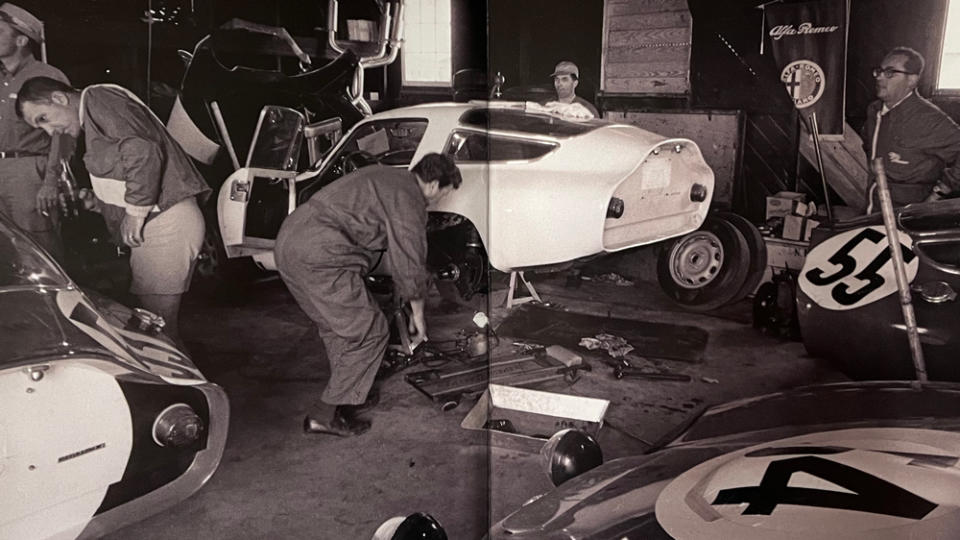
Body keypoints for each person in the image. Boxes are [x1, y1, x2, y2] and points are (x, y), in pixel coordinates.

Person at [16, 76, 211, 350]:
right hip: (159, 224)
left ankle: (186, 390)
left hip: (166, 223)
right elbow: (129, 167)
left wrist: (135, 211)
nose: (50, 132)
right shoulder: (95, 117)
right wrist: (100, 203)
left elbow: (143, 151)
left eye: (44, 118)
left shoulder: (98, 97)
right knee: (156, 326)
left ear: (59, 98)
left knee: (160, 329)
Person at [275, 153, 461, 437]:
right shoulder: (409, 198)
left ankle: (347, 397)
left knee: (338, 329)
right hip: (321, 253)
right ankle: (323, 415)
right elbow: (408, 260)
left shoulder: (387, 176)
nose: (437, 201)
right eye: (442, 194)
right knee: (370, 331)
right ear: (434, 185)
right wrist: (419, 316)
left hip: (290, 241)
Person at [0, 3, 71, 258]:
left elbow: (63, 133)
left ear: (21, 39)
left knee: (40, 249)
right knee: (7, 251)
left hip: (30, 173)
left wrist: (51, 181)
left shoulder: (45, 75)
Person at [862, 46, 960, 211]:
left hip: (910, 217)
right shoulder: (874, 111)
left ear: (912, 80)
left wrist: (939, 192)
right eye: (879, 71)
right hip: (874, 210)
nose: (879, 77)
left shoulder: (928, 118)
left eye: (890, 73)